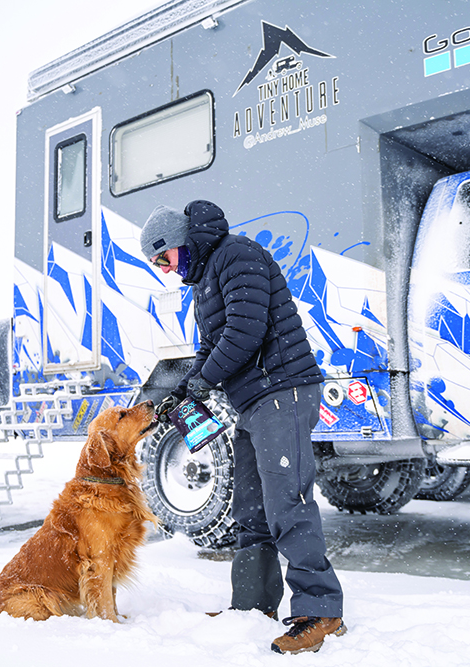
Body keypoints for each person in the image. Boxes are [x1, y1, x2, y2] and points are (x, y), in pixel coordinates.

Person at [140, 200, 346, 655]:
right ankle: (253, 605)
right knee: (252, 506)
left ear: (180, 243)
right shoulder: (204, 283)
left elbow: (245, 333)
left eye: (163, 258)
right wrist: (183, 390)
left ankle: (322, 611)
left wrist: (204, 379)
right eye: (156, 264)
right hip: (253, 400)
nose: (164, 269)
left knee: (286, 501)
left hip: (283, 390)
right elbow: (213, 346)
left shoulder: (237, 255)